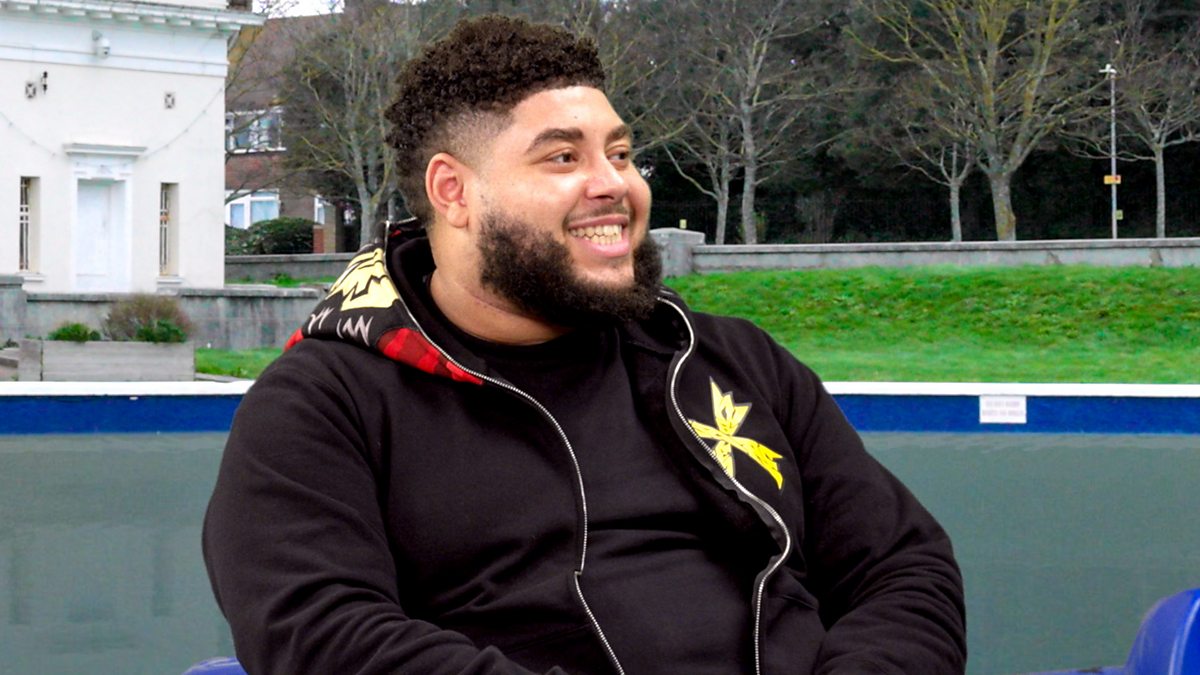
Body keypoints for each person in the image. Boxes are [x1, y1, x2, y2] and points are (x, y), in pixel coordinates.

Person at [203, 15, 966, 675]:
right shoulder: (325, 403)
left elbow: (905, 566)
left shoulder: (729, 361)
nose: (615, 184)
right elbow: (321, 632)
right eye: (564, 158)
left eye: (621, 154)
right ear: (453, 192)